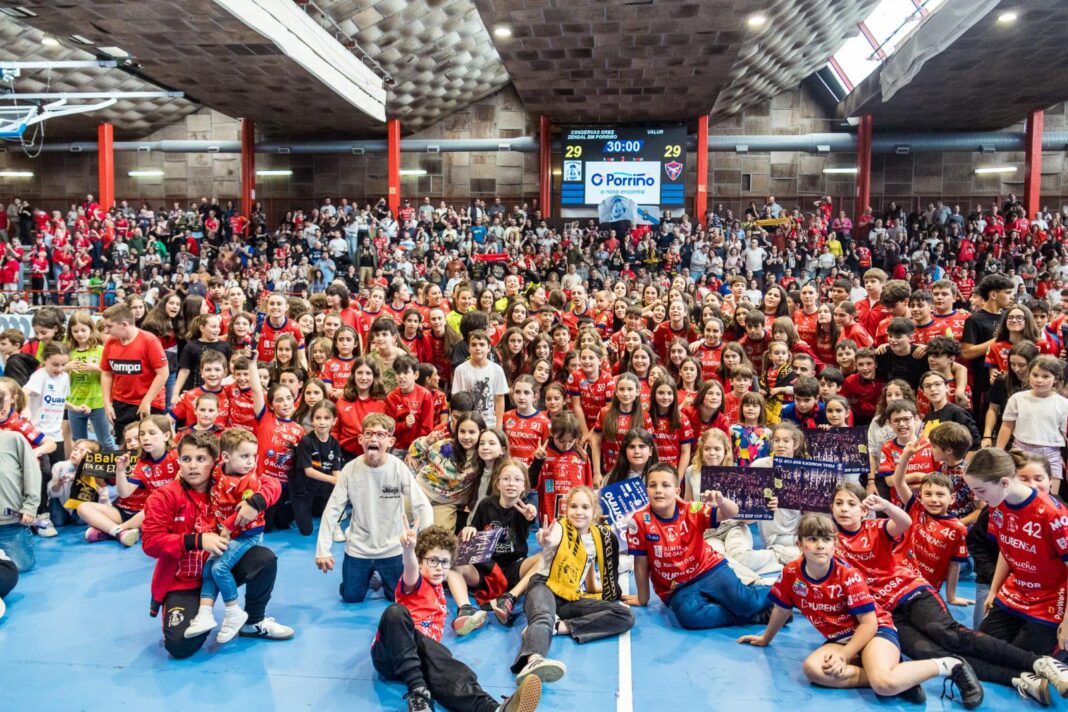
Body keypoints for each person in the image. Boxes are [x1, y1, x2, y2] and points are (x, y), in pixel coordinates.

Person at [737, 513, 971, 706]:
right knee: (813, 670)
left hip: (874, 632)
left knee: (884, 685)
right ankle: (901, 677)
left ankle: (949, 665)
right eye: (812, 539)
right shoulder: (791, 572)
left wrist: (844, 656)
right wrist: (765, 639)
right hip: (839, 639)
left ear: (835, 544)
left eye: (826, 539)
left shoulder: (848, 575)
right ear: (799, 545)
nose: (820, 546)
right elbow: (782, 609)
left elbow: (869, 623)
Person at [141, 431, 293, 658]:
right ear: (178, 461)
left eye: (201, 459)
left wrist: (256, 502)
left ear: (216, 461)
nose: (193, 466)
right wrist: (198, 540)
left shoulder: (226, 481)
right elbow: (151, 542)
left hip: (222, 564)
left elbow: (272, 483)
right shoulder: (164, 496)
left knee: (264, 559)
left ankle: (253, 621)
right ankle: (203, 612)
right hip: (184, 582)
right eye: (186, 459)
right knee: (180, 647)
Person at [371, 522, 543, 712]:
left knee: (449, 670)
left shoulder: (439, 589)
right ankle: (419, 693)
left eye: (445, 562)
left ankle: (494, 709)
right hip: (389, 654)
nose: (439, 567)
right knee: (395, 612)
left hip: (420, 660)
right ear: (420, 562)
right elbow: (410, 570)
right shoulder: (415, 584)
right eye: (432, 561)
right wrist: (409, 550)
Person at [510, 486, 634, 685]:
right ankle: (533, 660)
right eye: (573, 506)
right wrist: (545, 539)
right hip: (544, 585)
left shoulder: (597, 536)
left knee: (624, 615)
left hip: (569, 595)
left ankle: (558, 627)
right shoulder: (560, 527)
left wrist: (598, 591)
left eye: (585, 507)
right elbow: (552, 539)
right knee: (543, 616)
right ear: (566, 510)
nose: (578, 512)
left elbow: (588, 573)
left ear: (594, 511)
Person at [626, 463, 772, 629]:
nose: (658, 490)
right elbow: (640, 562)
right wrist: (643, 598)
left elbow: (732, 512)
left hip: (709, 569)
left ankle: (781, 593)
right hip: (677, 587)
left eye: (665, 485)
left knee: (746, 602)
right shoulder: (639, 520)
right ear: (646, 490)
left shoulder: (692, 509)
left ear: (677, 491)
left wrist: (722, 501)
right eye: (653, 485)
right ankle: (757, 616)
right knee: (690, 617)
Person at [315, 413, 433, 603]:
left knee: (397, 597)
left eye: (380, 434)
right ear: (360, 439)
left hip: (393, 548)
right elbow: (333, 510)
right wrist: (323, 550)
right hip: (358, 548)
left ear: (391, 441)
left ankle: (378, 574)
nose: (373, 439)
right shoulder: (349, 470)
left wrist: (427, 546)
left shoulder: (398, 468)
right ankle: (369, 573)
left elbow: (422, 505)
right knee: (351, 596)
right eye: (369, 434)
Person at [965, 448, 1068, 657]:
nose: (977, 497)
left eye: (981, 490)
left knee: (1018, 660)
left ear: (1004, 482)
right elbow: (1007, 547)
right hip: (1015, 593)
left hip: (1051, 600)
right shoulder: (997, 505)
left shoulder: (1054, 515)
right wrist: (994, 591)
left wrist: (1067, 621)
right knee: (980, 650)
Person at [184, 429, 268, 643]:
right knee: (207, 569)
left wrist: (228, 528)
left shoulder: (249, 481)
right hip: (227, 533)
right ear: (226, 457)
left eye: (253, 456)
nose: (251, 462)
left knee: (219, 568)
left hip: (247, 534)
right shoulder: (217, 471)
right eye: (245, 456)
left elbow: (243, 513)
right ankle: (204, 614)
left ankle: (233, 611)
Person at [449, 458, 540, 633]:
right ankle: (465, 609)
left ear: (524, 486)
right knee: (453, 563)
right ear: (498, 483)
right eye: (506, 479)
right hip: (485, 570)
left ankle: (509, 598)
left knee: (546, 558)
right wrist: (469, 529)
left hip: (514, 568)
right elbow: (473, 531)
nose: (511, 483)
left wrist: (531, 514)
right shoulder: (486, 504)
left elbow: (531, 515)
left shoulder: (525, 509)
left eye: (517, 479)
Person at [995, 355, 1068, 494]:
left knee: (1050, 498)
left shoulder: (1064, 404)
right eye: (1035, 375)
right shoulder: (1017, 398)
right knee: (1017, 494)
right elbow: (1007, 426)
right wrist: (998, 452)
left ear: (1056, 379)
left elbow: (1066, 434)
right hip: (1020, 450)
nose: (1039, 380)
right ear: (1029, 375)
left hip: (1051, 453)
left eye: (1045, 376)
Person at [99, 302, 169, 441]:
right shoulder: (110, 343)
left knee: (149, 444)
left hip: (149, 401)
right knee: (124, 443)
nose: (106, 331)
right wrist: (107, 403)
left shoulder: (149, 341)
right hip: (121, 402)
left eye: (109, 326)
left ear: (124, 324)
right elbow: (106, 373)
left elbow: (163, 373)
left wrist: (147, 401)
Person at [292, 400, 344, 536]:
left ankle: (332, 518)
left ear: (334, 421)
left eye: (326, 418)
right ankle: (295, 508)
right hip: (304, 489)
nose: (322, 422)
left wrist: (340, 485)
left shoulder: (334, 443)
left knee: (332, 503)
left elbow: (336, 471)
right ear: (312, 420)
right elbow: (308, 471)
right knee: (306, 531)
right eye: (318, 418)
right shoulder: (306, 442)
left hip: (322, 488)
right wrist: (333, 480)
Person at [0, 430, 42, 573]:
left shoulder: (13, 439)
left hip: (8, 522)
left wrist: (30, 506)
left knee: (20, 566)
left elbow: (32, 472)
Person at [451, 330, 508, 430]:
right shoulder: (460, 370)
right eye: (473, 344)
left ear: (489, 348)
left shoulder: (497, 370)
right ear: (468, 348)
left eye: (482, 344)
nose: (478, 348)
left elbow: (499, 400)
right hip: (467, 423)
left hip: (489, 423)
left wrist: (498, 427)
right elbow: (457, 400)